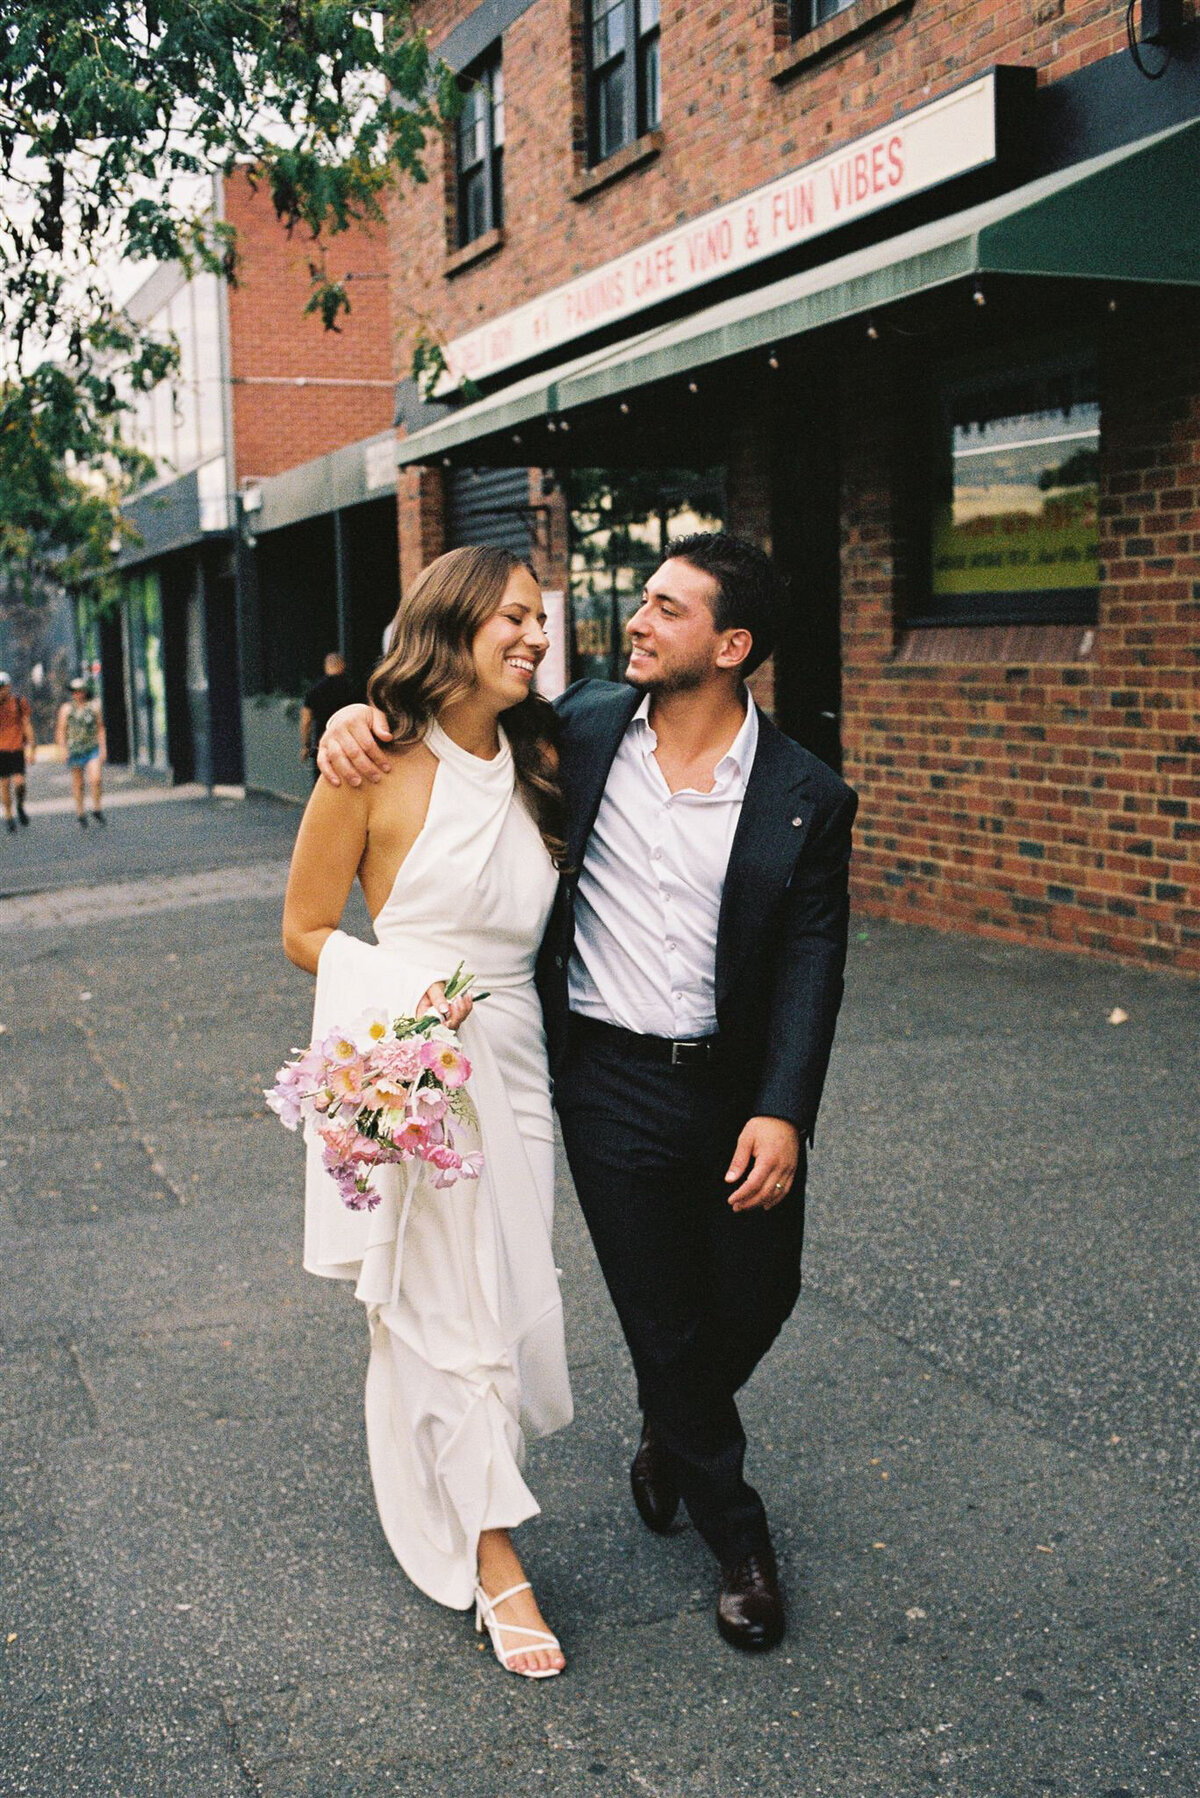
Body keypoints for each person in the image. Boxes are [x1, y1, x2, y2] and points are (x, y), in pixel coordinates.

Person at [319, 532, 857, 1655]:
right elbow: (443, 719)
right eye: (644, 600)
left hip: (736, 1087)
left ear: (733, 645)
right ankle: (740, 1542)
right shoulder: (584, 730)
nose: (636, 622)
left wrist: (785, 1107)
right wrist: (348, 715)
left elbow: (814, 953)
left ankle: (674, 1429)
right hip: (602, 1079)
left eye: (667, 608)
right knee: (659, 1319)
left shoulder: (807, 790)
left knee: (762, 1290)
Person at [282, 545, 573, 1679]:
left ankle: (460, 1494)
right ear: (453, 625)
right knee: (445, 1309)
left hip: (521, 1069)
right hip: (415, 1068)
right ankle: (500, 1560)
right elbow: (306, 928)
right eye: (514, 617)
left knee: (505, 1300)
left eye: (541, 621)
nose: (536, 637)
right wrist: (405, 1015)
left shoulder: (545, 752)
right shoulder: (370, 764)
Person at [55, 678, 106, 827]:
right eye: (75, 691)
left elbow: (100, 727)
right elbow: (61, 729)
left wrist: (103, 747)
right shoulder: (66, 709)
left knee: (96, 779)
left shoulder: (94, 707)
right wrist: (63, 749)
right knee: (78, 782)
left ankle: (97, 808)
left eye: (81, 691)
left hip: (92, 747)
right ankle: (80, 812)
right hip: (75, 748)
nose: (78, 694)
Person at [299, 652, 353, 783]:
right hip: (350, 743)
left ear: (326, 666)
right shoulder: (353, 687)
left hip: (323, 743)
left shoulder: (314, 690)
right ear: (343, 665)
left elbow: (306, 721)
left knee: (324, 781)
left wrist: (306, 746)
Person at [0, 672, 35, 834]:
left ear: (8, 687)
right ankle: (8, 815)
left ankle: (20, 805)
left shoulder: (19, 703)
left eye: (3, 688)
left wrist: (32, 748)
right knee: (4, 783)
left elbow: (26, 724)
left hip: (16, 747)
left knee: (19, 783)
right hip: (1, 750)